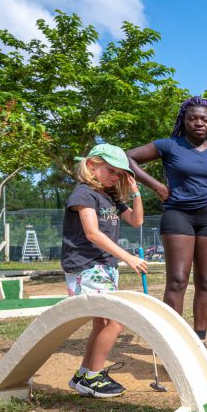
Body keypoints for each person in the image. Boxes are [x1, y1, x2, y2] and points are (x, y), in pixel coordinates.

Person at [127, 96, 207, 360]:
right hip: (178, 216)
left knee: (205, 281)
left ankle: (200, 341)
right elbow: (128, 158)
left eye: (204, 119)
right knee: (178, 280)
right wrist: (156, 186)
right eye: (192, 118)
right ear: (184, 120)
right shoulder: (169, 145)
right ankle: (172, 342)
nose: (198, 123)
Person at [63, 144, 148, 397]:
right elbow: (92, 233)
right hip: (86, 264)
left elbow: (136, 220)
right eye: (110, 170)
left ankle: (84, 373)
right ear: (91, 165)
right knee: (115, 320)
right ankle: (94, 376)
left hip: (105, 265)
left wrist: (135, 193)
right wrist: (128, 257)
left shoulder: (110, 195)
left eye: (120, 173)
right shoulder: (83, 194)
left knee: (102, 323)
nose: (115, 177)